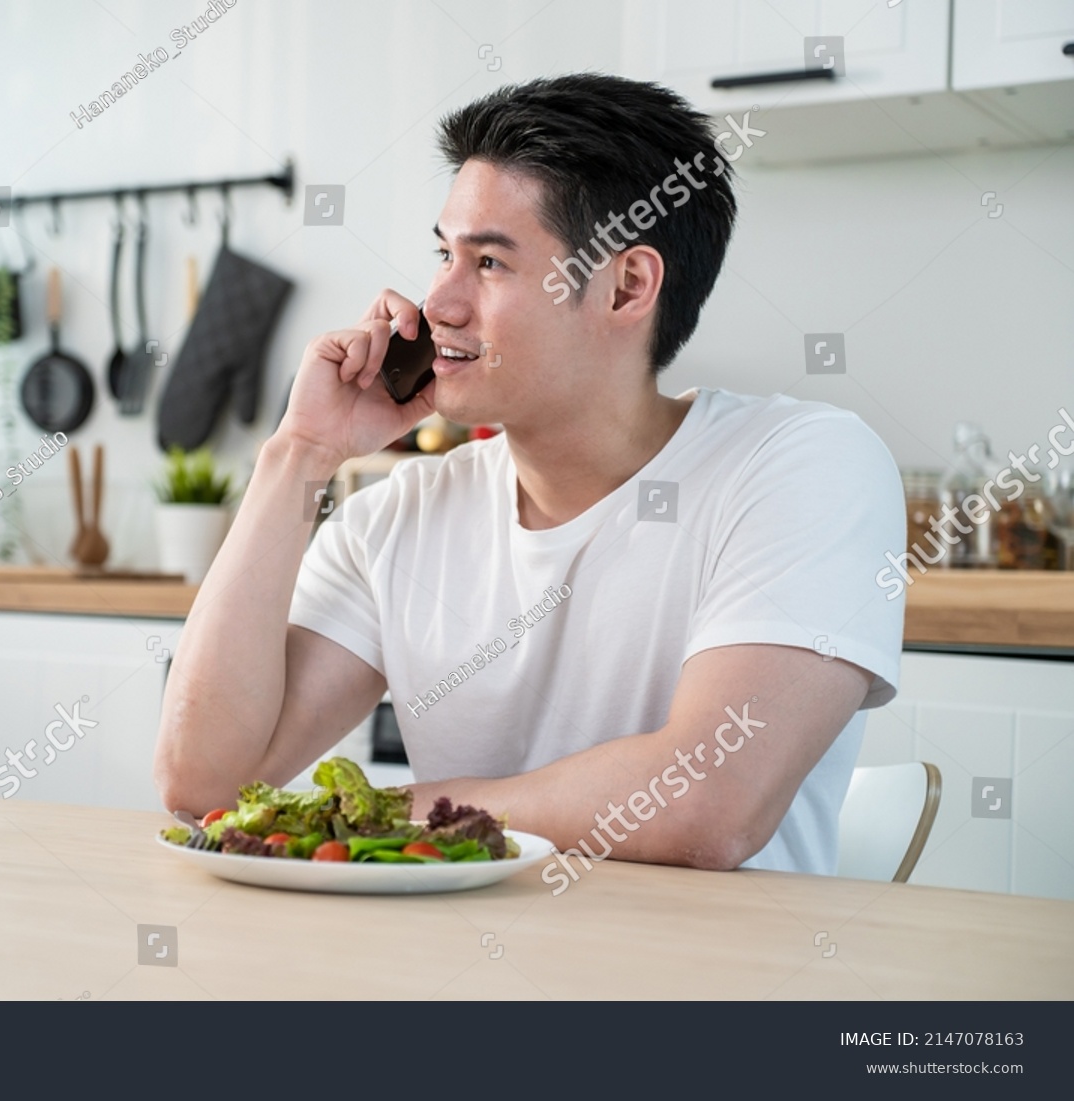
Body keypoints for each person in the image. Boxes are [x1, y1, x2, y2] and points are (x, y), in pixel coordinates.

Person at [154, 73, 904, 876]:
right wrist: (298, 452)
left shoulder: (802, 466)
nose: (436, 300)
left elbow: (705, 807)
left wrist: (391, 809)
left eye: (489, 263)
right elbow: (203, 784)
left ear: (626, 286)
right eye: (443, 254)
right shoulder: (398, 514)